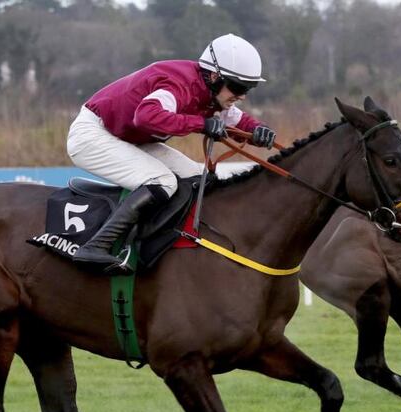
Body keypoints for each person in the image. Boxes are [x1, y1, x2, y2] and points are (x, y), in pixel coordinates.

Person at [66, 33, 277, 270]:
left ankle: (170, 245)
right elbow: (146, 116)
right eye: (238, 87)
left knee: (197, 177)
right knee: (162, 181)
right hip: (93, 134)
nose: (242, 96)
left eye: (248, 88)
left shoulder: (212, 91)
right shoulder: (179, 84)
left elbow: (238, 120)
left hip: (128, 137)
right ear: (215, 76)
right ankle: (97, 246)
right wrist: (201, 124)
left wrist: (259, 130)